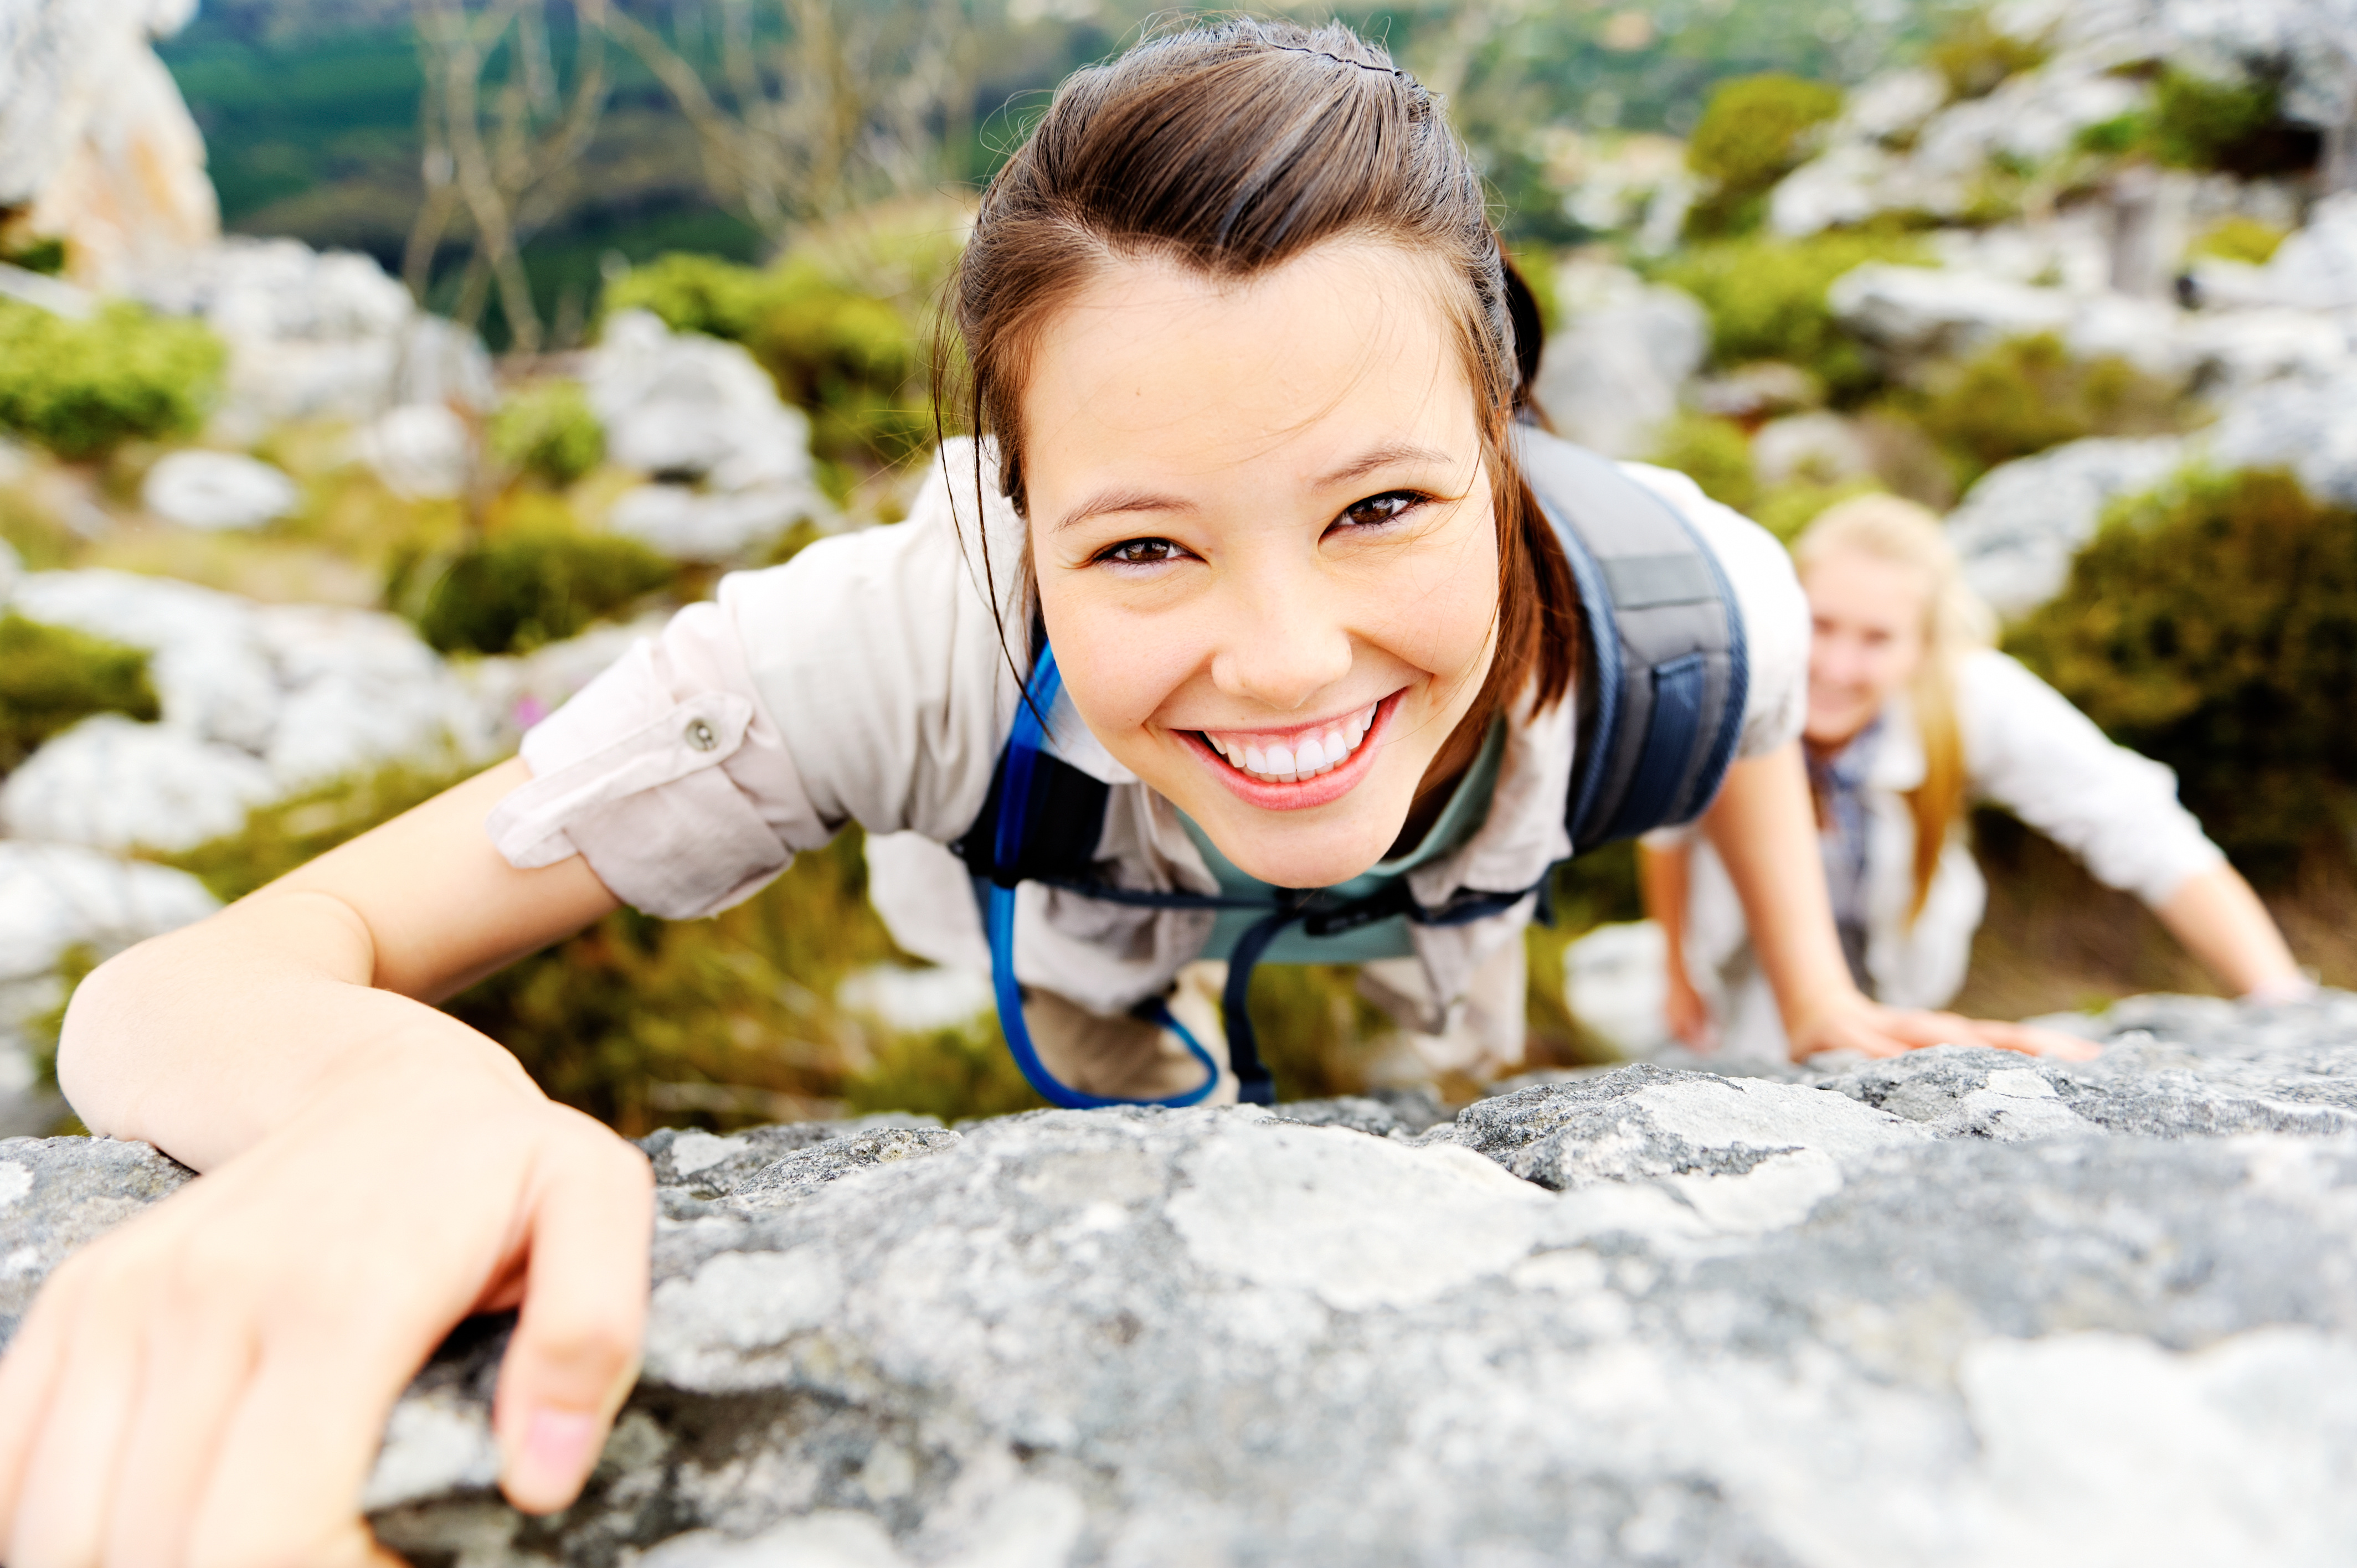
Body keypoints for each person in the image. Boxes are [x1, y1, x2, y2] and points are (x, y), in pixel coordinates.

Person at [0, 23, 2084, 1558]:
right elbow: (163, 991)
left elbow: (1735, 732)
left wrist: (1810, 1006)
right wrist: (408, 1105)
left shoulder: (1676, 602)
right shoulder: (890, 647)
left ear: (1506, 441)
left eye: (1376, 506)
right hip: (1092, 896)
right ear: (1014, 514)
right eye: (1140, 544)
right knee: (1132, 1082)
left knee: (1440, 1062)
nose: (1277, 652)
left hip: (1458, 890)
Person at [1640, 492, 2310, 1061]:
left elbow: (2139, 826)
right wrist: (1675, 968)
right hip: (1741, 969)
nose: (1837, 666)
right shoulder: (1737, 683)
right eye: (1821, 626)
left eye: (1877, 639)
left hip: (1898, 967)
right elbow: (1665, 836)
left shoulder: (1971, 698)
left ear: (1924, 645)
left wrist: (2281, 1003)